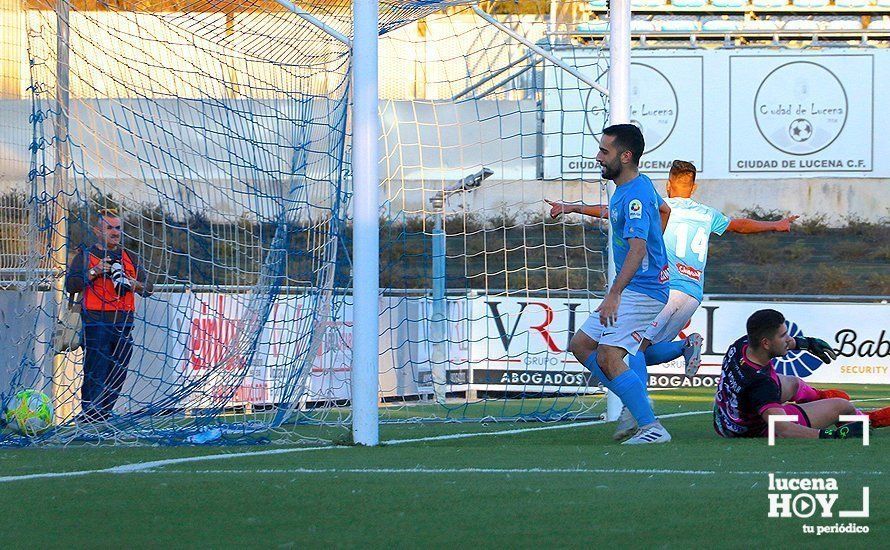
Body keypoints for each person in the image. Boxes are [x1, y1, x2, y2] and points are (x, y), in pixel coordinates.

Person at [548, 159, 800, 440]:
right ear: (693, 187)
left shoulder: (656, 204)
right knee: (639, 348)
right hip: (692, 294)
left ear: (669, 184)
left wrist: (574, 207)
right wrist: (777, 225)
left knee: (633, 351)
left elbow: (612, 213)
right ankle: (682, 348)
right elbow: (739, 225)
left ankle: (637, 412)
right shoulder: (706, 214)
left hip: (663, 288)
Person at [567, 124, 672, 445]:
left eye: (604, 151)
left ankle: (651, 427)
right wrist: (657, 249)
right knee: (581, 346)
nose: (598, 157)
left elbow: (638, 248)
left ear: (625, 156)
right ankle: (635, 401)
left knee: (609, 357)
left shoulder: (636, 196)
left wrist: (615, 293)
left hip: (642, 290)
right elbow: (665, 211)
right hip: (637, 284)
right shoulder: (634, 187)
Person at [714, 309, 890, 439]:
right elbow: (783, 428)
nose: (789, 339)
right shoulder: (762, 384)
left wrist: (805, 343)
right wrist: (831, 435)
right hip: (751, 430)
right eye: (783, 336)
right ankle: (867, 420)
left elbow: (780, 345)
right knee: (842, 406)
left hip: (724, 418)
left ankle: (821, 398)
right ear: (766, 343)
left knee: (794, 383)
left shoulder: (742, 345)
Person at [65, 210, 152, 422]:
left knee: (118, 370)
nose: (115, 232)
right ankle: (90, 413)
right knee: (96, 368)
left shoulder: (129, 257)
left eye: (118, 228)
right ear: (97, 231)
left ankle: (104, 412)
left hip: (124, 321)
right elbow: (71, 285)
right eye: (109, 228)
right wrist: (95, 272)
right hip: (96, 320)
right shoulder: (85, 256)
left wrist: (133, 284)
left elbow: (148, 288)